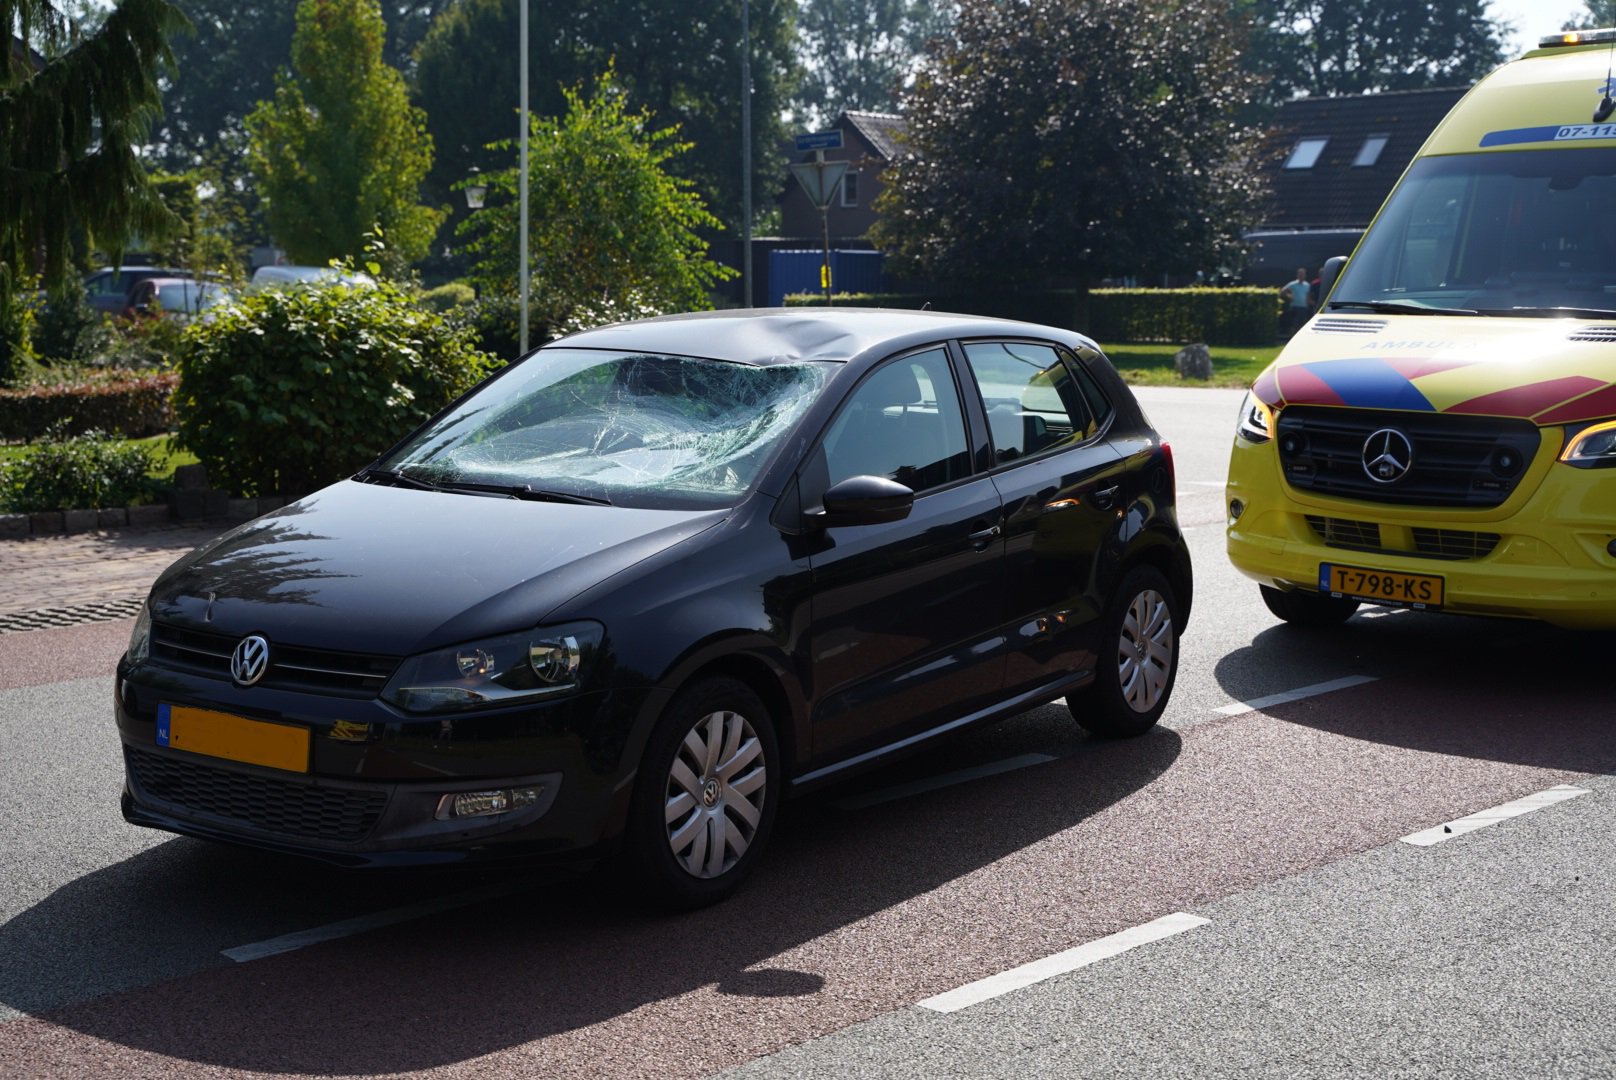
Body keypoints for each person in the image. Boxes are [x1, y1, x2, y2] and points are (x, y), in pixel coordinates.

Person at [1280, 267, 1312, 337]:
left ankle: (1300, 338)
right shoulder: (1292, 284)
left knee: (1302, 324)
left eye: (1303, 274)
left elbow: (1308, 296)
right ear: (1297, 275)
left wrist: (1309, 303)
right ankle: (1291, 338)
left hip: (1304, 307)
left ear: (1305, 275)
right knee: (1293, 324)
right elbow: (1282, 291)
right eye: (1300, 274)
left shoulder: (1307, 285)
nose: (1301, 275)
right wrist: (1289, 296)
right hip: (1294, 307)